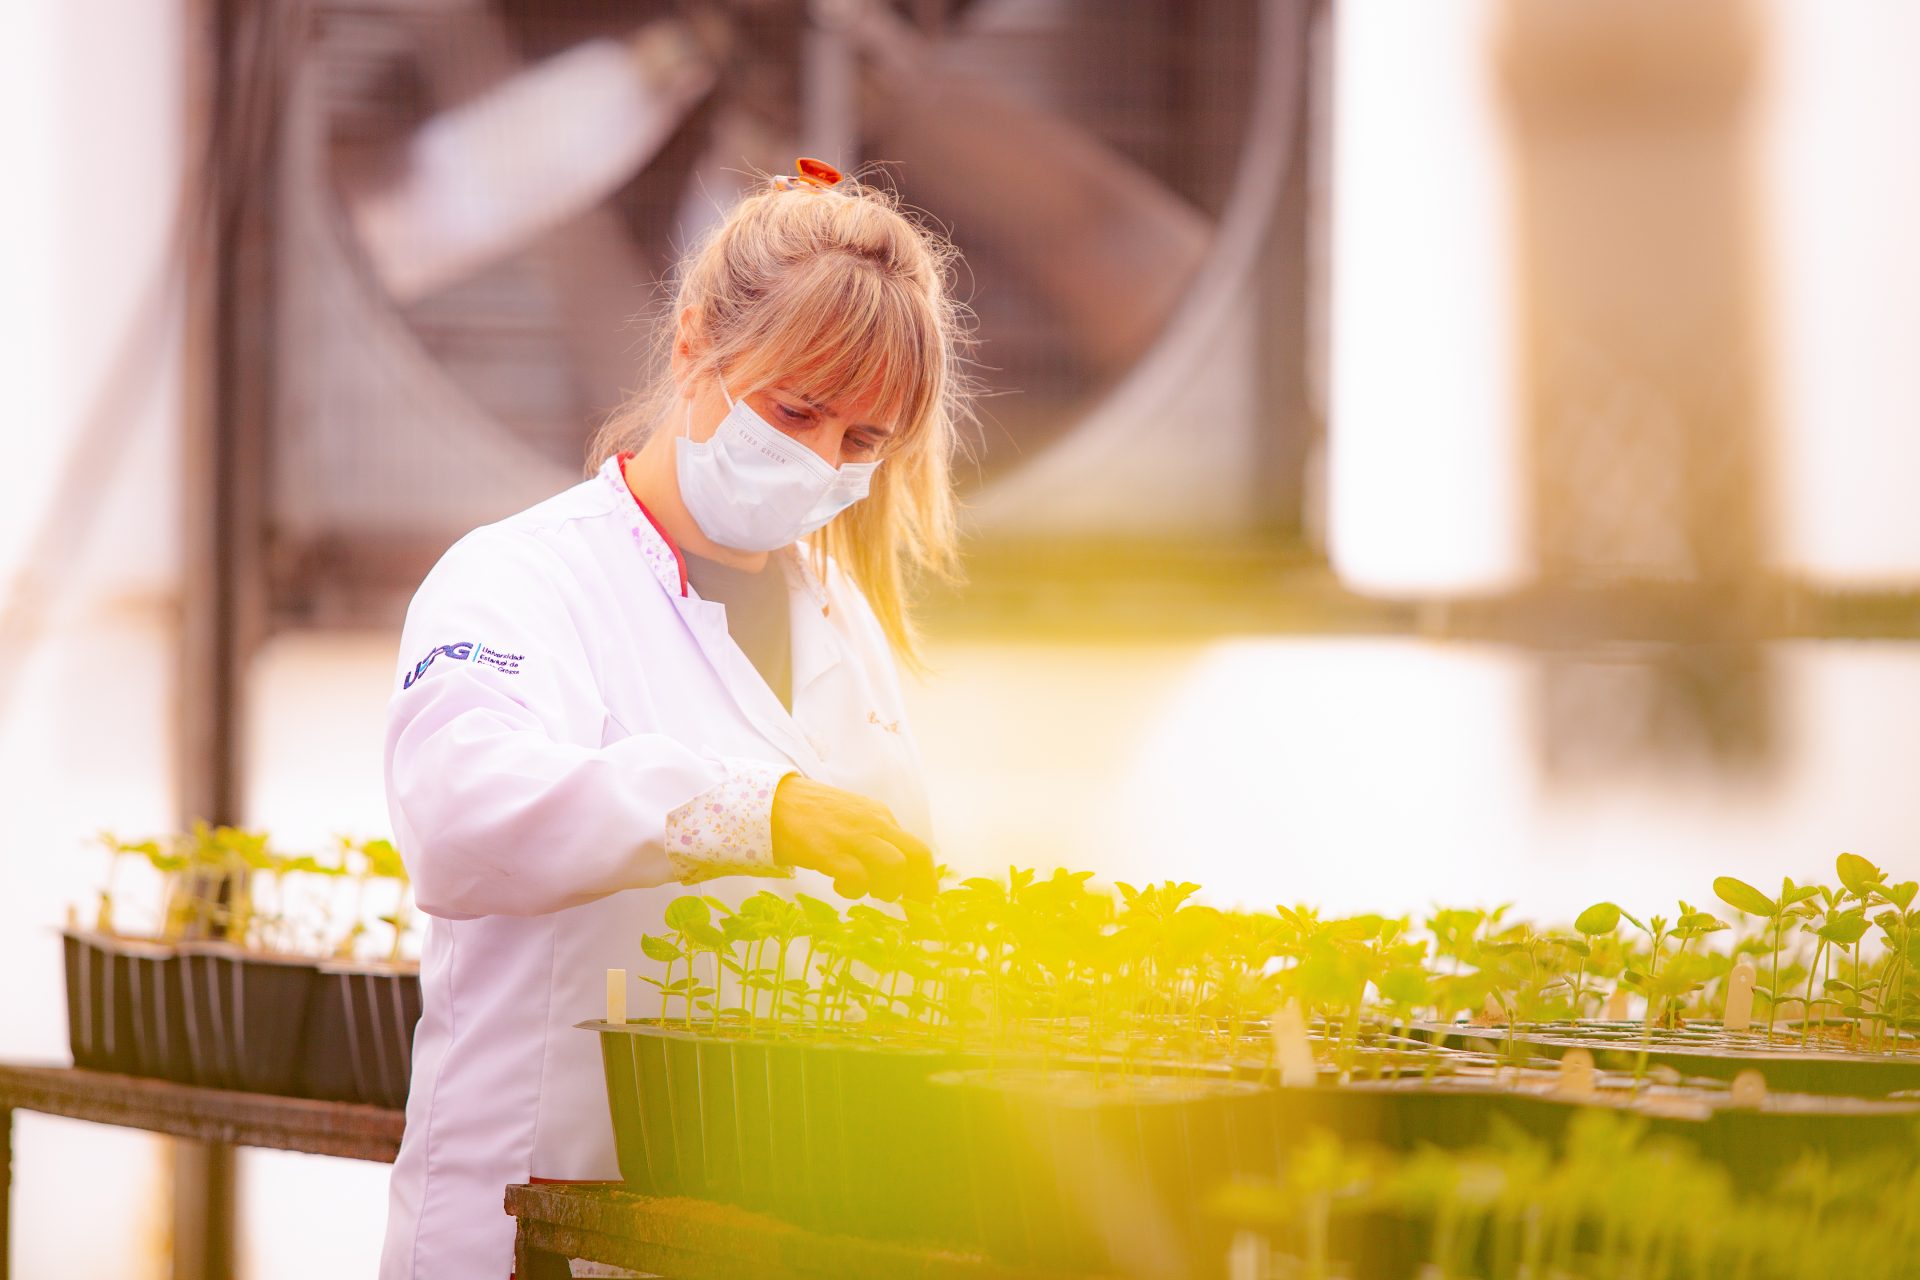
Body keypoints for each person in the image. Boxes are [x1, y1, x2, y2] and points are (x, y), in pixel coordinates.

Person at [377, 159, 970, 1279]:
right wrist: (749, 808)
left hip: (751, 1232)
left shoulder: (840, 619)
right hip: (533, 1231)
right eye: (796, 409)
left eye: (862, 442)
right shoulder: (519, 580)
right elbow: (457, 813)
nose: (821, 460)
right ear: (695, 341)